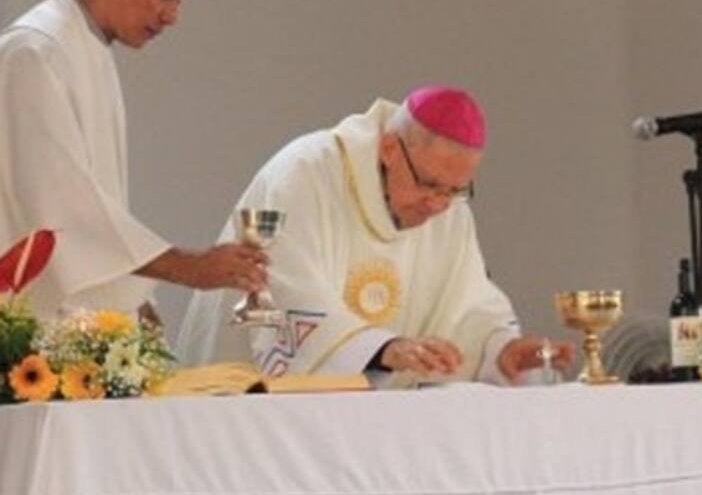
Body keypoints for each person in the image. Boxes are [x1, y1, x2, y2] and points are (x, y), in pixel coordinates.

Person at [177, 87, 573, 386]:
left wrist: (497, 350)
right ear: (388, 149)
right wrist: (382, 350)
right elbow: (287, 291)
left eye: (455, 190)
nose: (437, 205)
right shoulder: (307, 173)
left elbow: (466, 306)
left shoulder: (449, 213)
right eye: (429, 185)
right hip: (252, 407)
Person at [0, 0, 265, 319]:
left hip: (78, 325)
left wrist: (133, 299)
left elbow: (98, 203)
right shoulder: (35, 52)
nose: (172, 16)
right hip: (28, 327)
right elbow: (61, 206)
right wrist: (188, 266)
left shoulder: (88, 46)